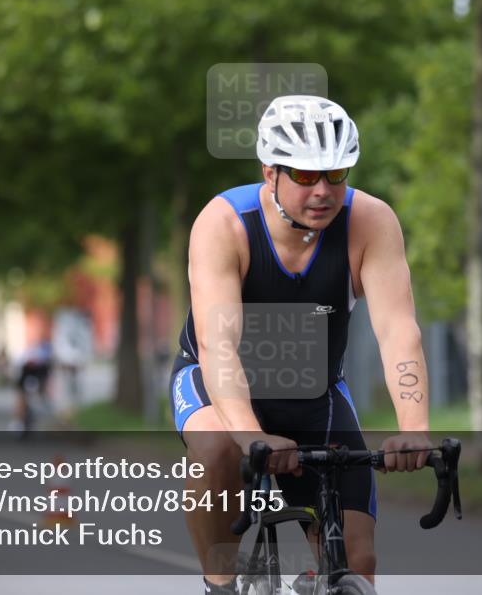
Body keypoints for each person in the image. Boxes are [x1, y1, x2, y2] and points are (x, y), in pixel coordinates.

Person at [169, 95, 432, 593]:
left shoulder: (370, 222)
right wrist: (250, 436)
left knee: (359, 562)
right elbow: (218, 344)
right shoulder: (224, 223)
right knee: (217, 450)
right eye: (306, 177)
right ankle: (219, 583)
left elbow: (398, 330)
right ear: (270, 172)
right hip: (215, 381)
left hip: (313, 390)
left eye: (337, 174)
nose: (324, 191)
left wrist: (414, 428)